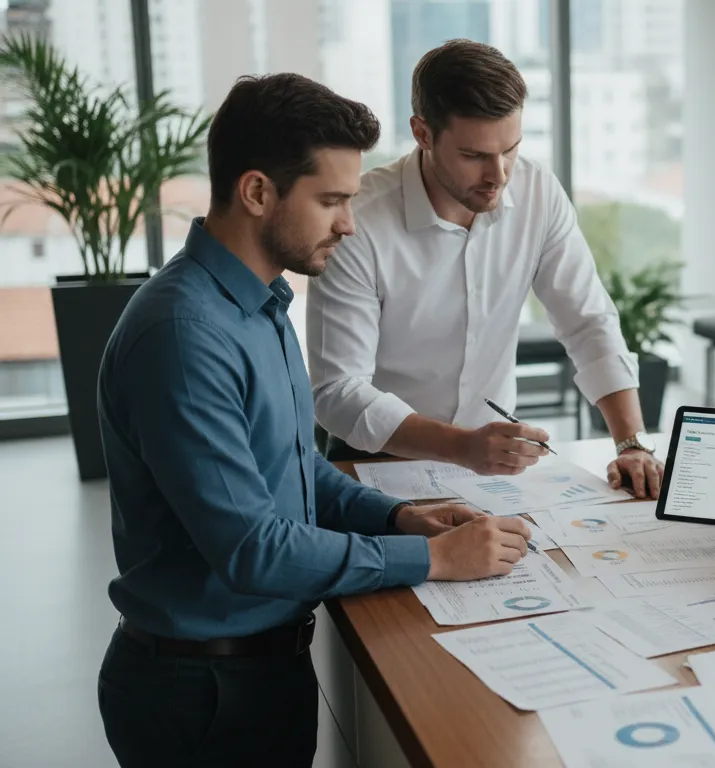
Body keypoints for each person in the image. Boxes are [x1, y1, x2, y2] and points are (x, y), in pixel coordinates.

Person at [96, 74, 532, 767]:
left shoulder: (261, 306)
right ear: (258, 192)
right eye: (331, 200)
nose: (349, 223)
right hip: (201, 691)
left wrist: (399, 520)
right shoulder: (184, 333)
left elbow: (300, 478)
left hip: (261, 668)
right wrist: (433, 560)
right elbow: (253, 549)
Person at [307, 39, 663, 497]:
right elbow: (338, 392)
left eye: (510, 149)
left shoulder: (538, 192)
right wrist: (463, 447)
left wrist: (631, 442)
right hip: (374, 463)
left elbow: (588, 321)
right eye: (474, 156)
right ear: (423, 133)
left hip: (490, 467)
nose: (499, 175)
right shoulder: (361, 219)